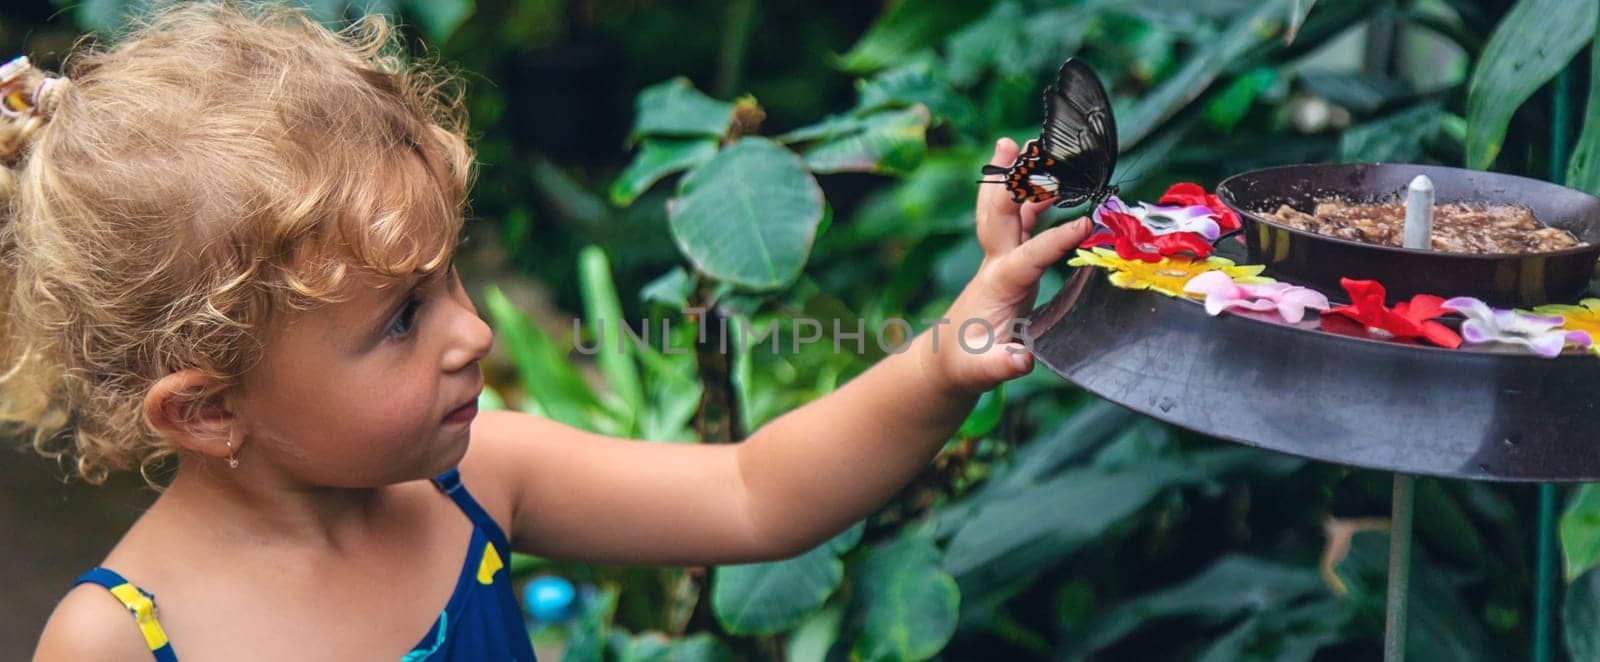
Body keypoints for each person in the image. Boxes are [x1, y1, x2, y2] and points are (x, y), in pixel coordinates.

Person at [9, 4, 1089, 660]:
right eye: (400, 319)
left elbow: (755, 493)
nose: (472, 334)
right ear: (207, 406)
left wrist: (951, 353)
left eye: (449, 279)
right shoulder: (120, 639)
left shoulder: (474, 476)